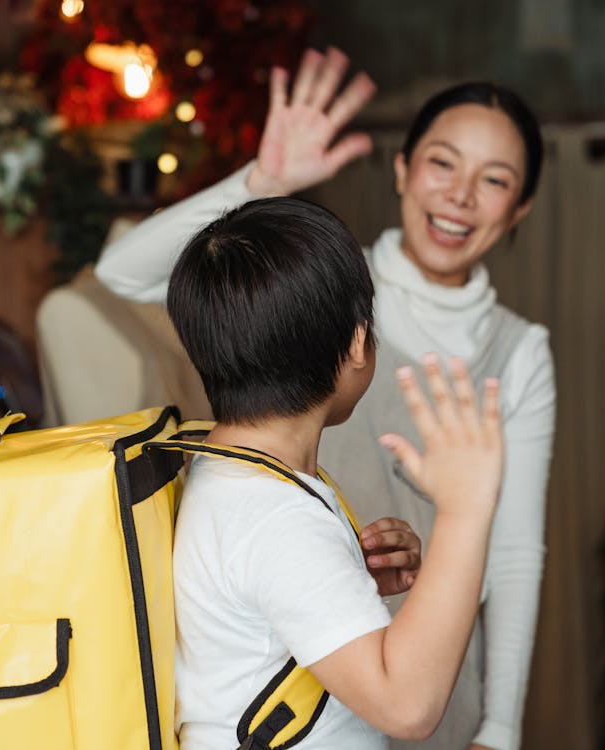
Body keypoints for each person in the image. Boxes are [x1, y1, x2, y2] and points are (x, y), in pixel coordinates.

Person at [96, 48, 554, 750]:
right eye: (443, 163)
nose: (461, 194)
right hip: (385, 673)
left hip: (400, 653)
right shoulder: (314, 287)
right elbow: (125, 275)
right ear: (402, 169)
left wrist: (499, 726)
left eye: (494, 179)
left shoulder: (514, 348)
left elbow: (514, 555)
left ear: (519, 207)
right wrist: (261, 185)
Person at [168, 196, 503, 749]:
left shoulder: (232, 476)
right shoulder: (275, 517)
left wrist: (348, 582)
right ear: (357, 343)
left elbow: (263, 619)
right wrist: (465, 512)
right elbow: (407, 706)